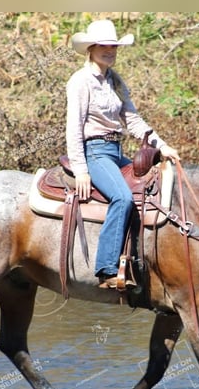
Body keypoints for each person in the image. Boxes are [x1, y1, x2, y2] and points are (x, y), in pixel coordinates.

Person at [66, 19, 180, 289]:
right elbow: (74, 128)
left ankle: (140, 263)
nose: (110, 50)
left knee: (152, 191)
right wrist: (81, 169)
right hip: (94, 151)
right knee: (122, 197)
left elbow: (134, 121)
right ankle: (106, 269)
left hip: (116, 151)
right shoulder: (80, 81)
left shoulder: (115, 81)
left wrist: (162, 146)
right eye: (104, 46)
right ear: (91, 48)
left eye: (114, 46)